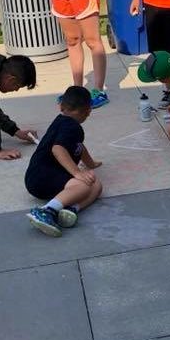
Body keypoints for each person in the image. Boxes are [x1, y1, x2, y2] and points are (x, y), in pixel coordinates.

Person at [25, 85, 103, 237]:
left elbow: (79, 147)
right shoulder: (73, 127)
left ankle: (71, 209)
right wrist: (77, 172)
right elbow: (58, 149)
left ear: (61, 106)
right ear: (88, 111)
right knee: (84, 185)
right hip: (43, 177)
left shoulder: (61, 121)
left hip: (41, 176)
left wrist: (91, 164)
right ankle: (47, 210)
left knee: (96, 185)